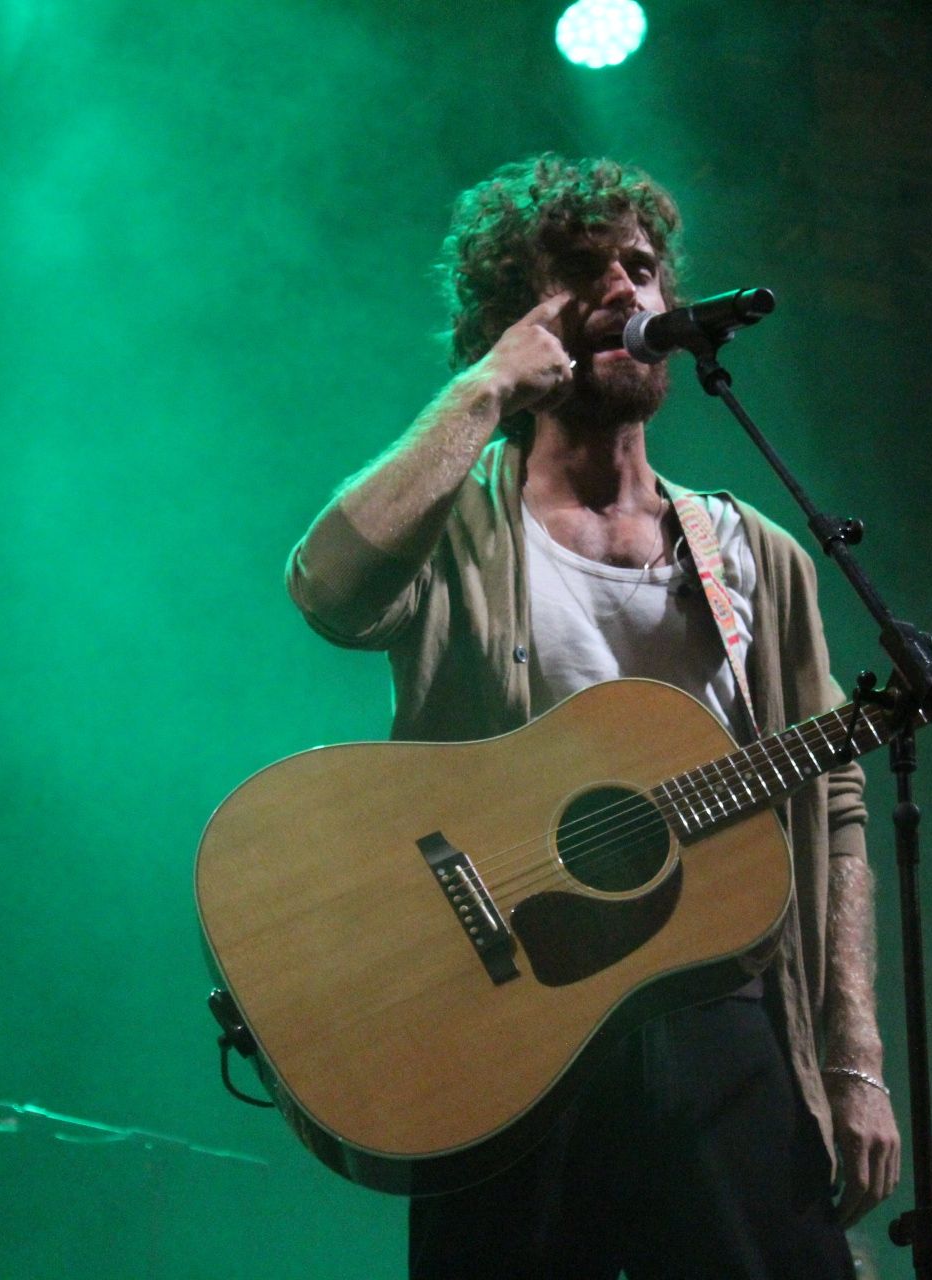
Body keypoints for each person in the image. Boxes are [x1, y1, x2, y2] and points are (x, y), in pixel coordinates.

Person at [286, 153, 901, 1279]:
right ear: (511, 311)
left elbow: (838, 797)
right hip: (504, 1025)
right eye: (584, 271)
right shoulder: (461, 524)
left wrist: (855, 1053)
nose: (627, 290)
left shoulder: (753, 551)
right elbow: (327, 590)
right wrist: (481, 391)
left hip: (722, 1011)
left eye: (644, 265)